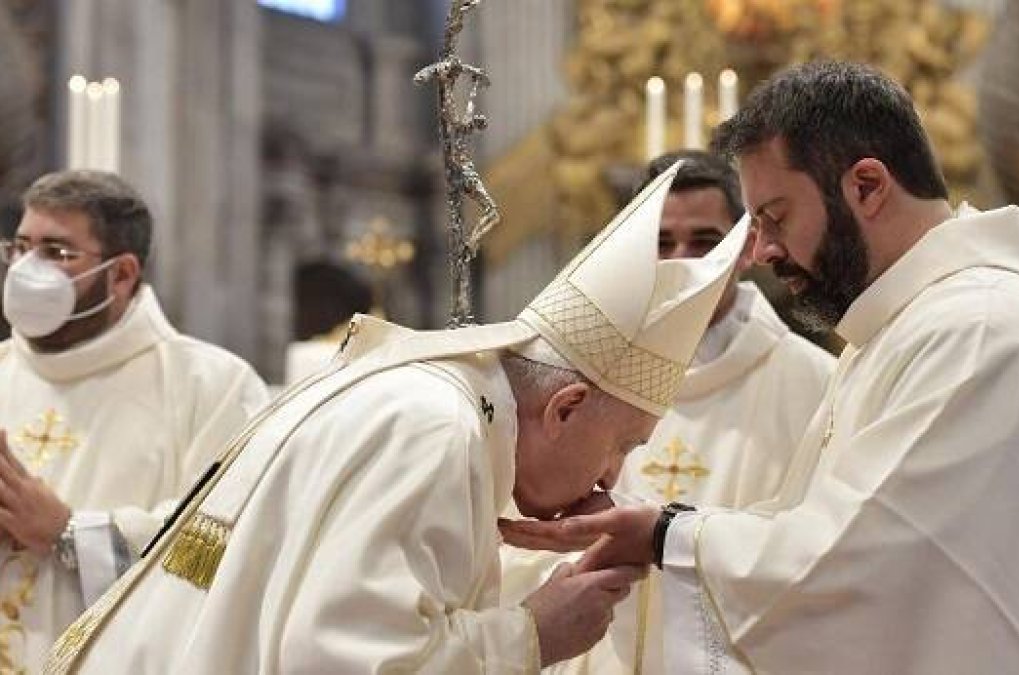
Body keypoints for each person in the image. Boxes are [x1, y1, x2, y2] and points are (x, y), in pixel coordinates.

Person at [501, 61, 1019, 674]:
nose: (759, 251)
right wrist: (653, 525)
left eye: (775, 216)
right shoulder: (904, 332)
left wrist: (667, 534)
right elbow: (824, 534)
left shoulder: (977, 331)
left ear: (866, 185)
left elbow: (853, 568)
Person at [46, 160, 751, 673]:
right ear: (566, 407)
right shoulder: (436, 430)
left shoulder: (436, 398)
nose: (612, 477)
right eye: (622, 444)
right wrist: (533, 634)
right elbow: (339, 660)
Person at [501, 150, 835, 674]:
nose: (684, 259)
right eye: (661, 243)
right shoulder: (582, 373)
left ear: (747, 246)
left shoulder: (816, 382)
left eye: (705, 241)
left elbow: (824, 552)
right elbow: (519, 541)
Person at [0, 170, 269, 672]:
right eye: (19, 246)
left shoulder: (212, 386)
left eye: (56, 252)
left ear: (121, 274)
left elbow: (228, 548)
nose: (25, 267)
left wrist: (69, 534)